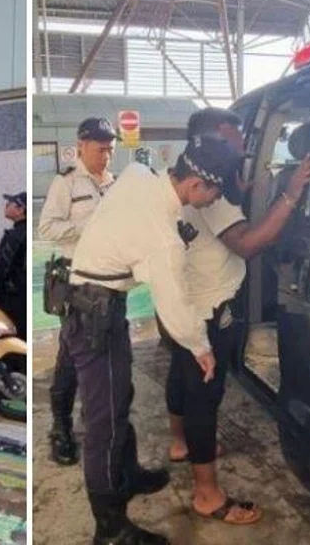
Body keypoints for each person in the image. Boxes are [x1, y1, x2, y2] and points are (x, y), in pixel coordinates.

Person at [66, 135, 248, 543]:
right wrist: (201, 347)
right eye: (214, 193)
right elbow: (175, 308)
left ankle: (127, 476)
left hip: (93, 302)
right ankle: (110, 530)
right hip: (94, 313)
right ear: (195, 185)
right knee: (104, 424)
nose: (212, 201)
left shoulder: (136, 174)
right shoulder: (163, 241)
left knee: (119, 400)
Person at [163, 109, 310, 484]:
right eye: (235, 143)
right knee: (205, 395)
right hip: (209, 307)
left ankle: (180, 442)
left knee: (182, 377)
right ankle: (206, 492)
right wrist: (291, 195)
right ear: (210, 141)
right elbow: (248, 244)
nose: (243, 150)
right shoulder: (210, 195)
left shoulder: (178, 178)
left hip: (182, 304)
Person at [37, 117, 118, 466]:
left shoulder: (114, 184)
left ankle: (99, 422)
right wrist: (88, 227)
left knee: (108, 355)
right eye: (100, 149)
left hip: (111, 282)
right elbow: (47, 228)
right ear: (81, 145)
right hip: (79, 283)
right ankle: (61, 428)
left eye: (110, 149)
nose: (106, 155)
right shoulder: (66, 182)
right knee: (71, 358)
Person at [0, 191, 27, 340]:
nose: (6, 206)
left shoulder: (15, 236)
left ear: (20, 210)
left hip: (12, 298)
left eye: (10, 203)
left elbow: (2, 266)